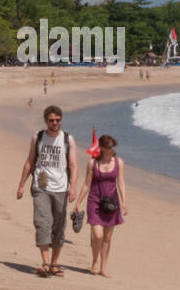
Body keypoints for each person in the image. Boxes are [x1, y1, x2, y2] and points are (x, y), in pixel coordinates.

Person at [16, 105, 77, 278]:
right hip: (41, 186)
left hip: (61, 188)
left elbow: (73, 165)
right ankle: (45, 262)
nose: (55, 123)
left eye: (57, 120)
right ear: (45, 120)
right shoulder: (38, 138)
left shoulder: (68, 139)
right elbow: (30, 162)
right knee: (42, 222)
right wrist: (21, 185)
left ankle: (55, 264)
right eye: (51, 120)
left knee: (58, 227)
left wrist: (73, 187)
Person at [73, 134, 128, 277]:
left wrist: (124, 202)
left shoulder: (119, 162)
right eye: (109, 147)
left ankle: (103, 267)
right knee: (98, 235)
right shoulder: (93, 163)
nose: (112, 149)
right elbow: (86, 184)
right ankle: (95, 261)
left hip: (112, 203)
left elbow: (120, 182)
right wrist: (78, 202)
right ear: (102, 148)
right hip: (95, 201)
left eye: (113, 146)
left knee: (107, 238)